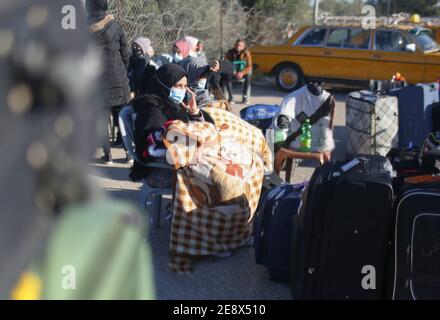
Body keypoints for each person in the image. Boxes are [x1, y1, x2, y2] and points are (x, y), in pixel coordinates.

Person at [129, 63, 215, 188]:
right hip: (161, 170)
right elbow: (155, 147)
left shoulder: (176, 105)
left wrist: (195, 113)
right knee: (214, 175)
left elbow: (201, 128)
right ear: (164, 84)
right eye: (178, 86)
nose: (182, 90)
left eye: (185, 86)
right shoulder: (153, 109)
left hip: (175, 164)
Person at [86, 0, 130, 164]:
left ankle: (108, 155)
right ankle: (129, 154)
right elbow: (125, 52)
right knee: (122, 119)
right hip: (118, 80)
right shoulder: (115, 25)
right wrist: (123, 72)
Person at [225, 39, 253, 105]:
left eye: (240, 45)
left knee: (249, 75)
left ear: (243, 46)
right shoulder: (230, 52)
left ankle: (245, 97)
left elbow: (249, 66)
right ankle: (231, 97)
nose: (238, 47)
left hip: (242, 72)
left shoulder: (246, 53)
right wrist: (233, 72)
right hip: (232, 72)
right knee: (226, 76)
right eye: (236, 45)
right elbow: (226, 63)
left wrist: (242, 73)